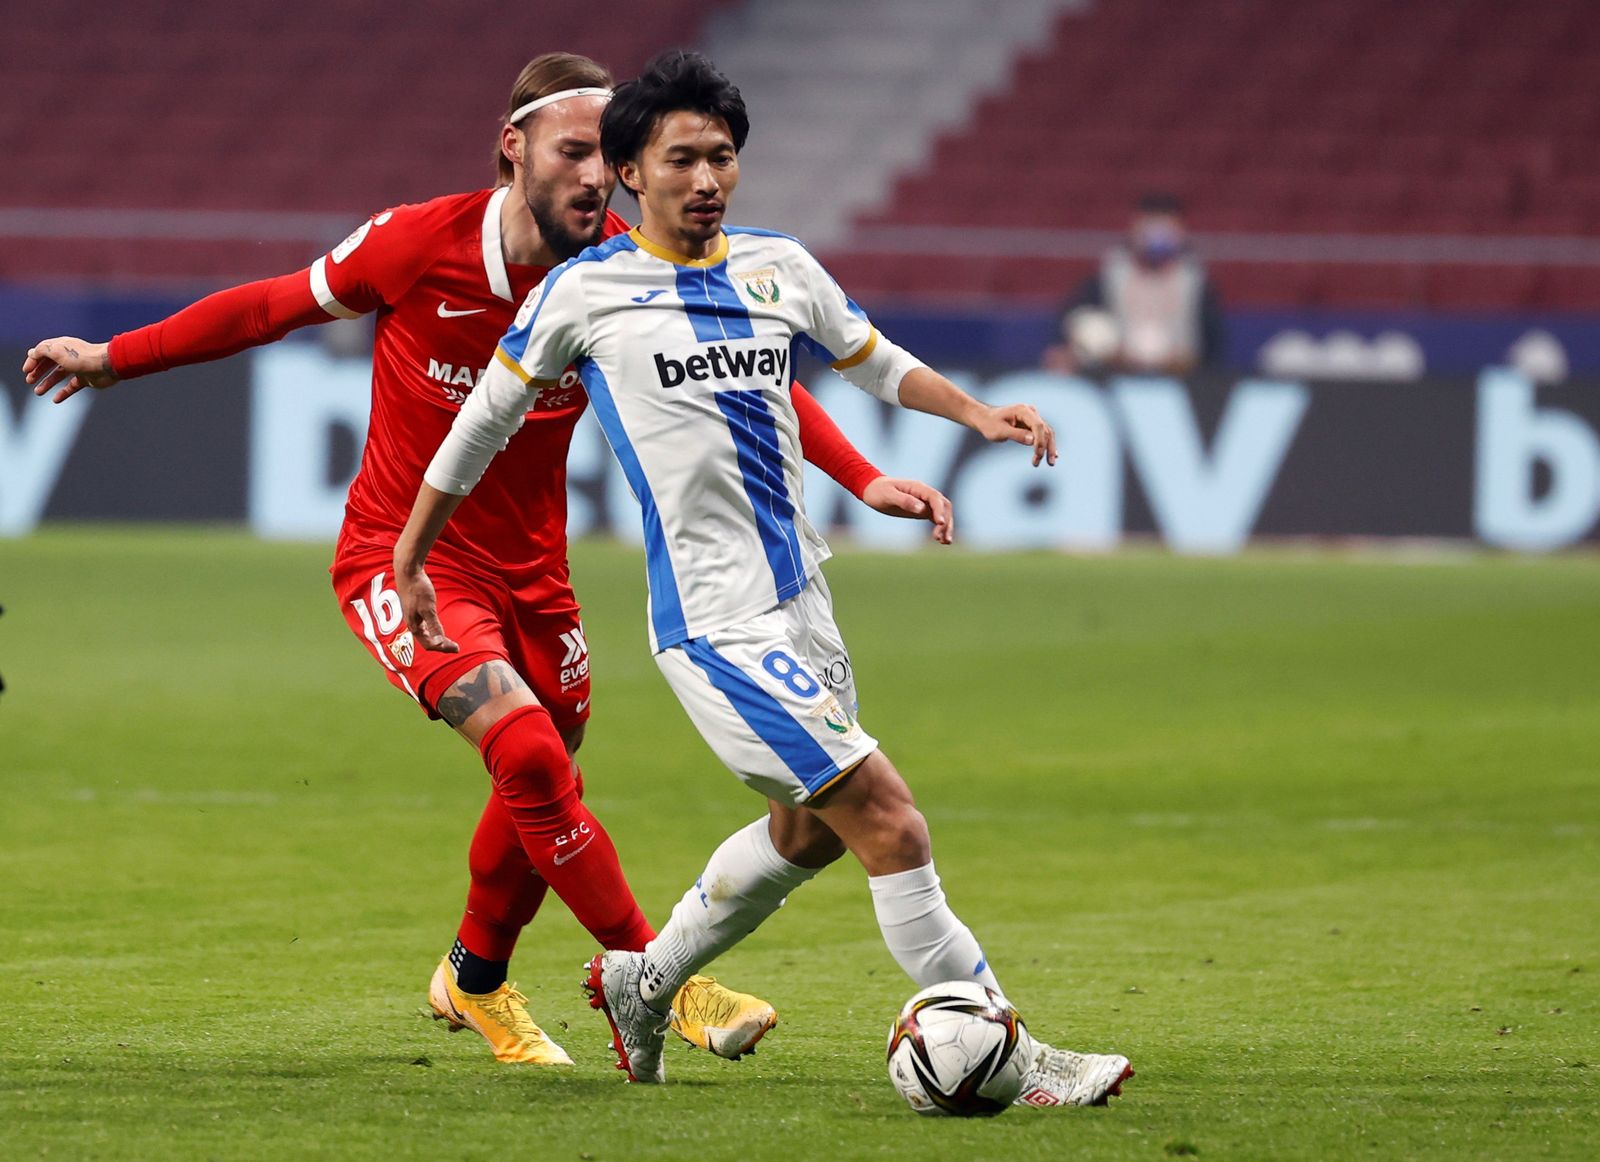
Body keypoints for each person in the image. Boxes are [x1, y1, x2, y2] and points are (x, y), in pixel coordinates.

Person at [22, 52, 949, 1069]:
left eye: (612, 156)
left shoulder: (615, 272)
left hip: (533, 576)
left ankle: (472, 980)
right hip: (403, 561)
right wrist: (114, 356)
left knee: (540, 770)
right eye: (576, 152)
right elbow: (268, 307)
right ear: (514, 149)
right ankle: (653, 976)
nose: (600, 176)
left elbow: (747, 370)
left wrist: (861, 477)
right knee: (531, 756)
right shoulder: (417, 242)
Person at [393, 50, 1134, 1107]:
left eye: (723, 158)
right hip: (712, 623)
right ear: (630, 173)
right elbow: (478, 427)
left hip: (802, 600)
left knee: (810, 830)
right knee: (888, 818)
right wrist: (411, 556)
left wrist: (972, 415)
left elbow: (867, 356)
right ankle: (1011, 1051)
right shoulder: (585, 292)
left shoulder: (776, 265)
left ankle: (643, 983)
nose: (706, 180)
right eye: (682, 159)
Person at [1043, 191, 1225, 375]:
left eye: (1165, 227)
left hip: (1181, 379)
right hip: (1116, 375)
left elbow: (1213, 344)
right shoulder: (1107, 278)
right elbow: (1076, 320)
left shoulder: (1197, 285)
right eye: (1149, 226)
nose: (1157, 235)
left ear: (1181, 232)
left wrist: (1187, 362)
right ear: (1134, 228)